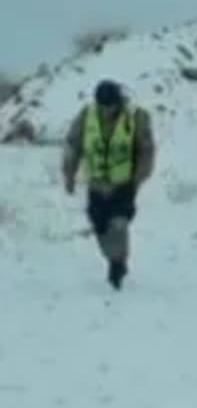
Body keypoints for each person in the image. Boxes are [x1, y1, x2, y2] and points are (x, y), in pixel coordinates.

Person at [61, 80, 156, 290]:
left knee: (119, 223)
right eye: (102, 106)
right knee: (100, 226)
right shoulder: (86, 117)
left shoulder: (135, 117)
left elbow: (146, 150)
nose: (106, 111)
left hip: (123, 184)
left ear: (118, 102)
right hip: (96, 184)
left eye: (110, 106)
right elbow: (73, 146)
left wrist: (138, 178)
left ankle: (117, 266)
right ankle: (114, 257)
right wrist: (69, 174)